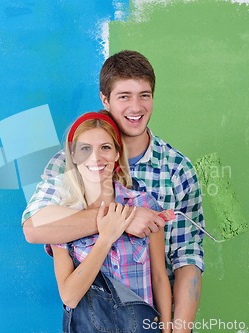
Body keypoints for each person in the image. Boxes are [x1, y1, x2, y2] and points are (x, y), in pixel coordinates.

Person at [22, 50, 204, 332]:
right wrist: (124, 218)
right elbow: (34, 228)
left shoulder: (177, 169)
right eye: (124, 96)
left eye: (144, 94)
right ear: (105, 99)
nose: (136, 106)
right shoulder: (67, 163)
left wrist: (178, 329)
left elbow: (187, 255)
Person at [47, 110, 171, 332]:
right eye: (85, 149)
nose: (96, 158)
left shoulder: (145, 205)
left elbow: (160, 278)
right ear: (73, 156)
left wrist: (168, 329)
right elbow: (70, 296)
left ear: (116, 153)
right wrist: (105, 239)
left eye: (105, 147)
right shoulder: (61, 218)